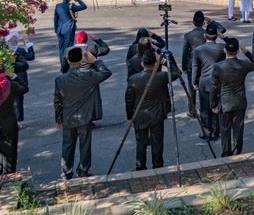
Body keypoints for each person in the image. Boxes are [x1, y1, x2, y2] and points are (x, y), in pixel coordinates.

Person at [54, 46, 112, 180]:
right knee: (85, 145)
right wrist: (96, 61)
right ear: (81, 61)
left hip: (68, 117)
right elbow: (106, 73)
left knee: (67, 146)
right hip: (85, 117)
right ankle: (83, 170)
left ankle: (66, 172)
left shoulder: (60, 80)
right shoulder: (89, 75)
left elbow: (57, 100)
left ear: (68, 61)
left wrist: (59, 118)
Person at [125, 49, 181, 170]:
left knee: (141, 142)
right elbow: (177, 73)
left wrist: (130, 116)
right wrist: (167, 61)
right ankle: (158, 165)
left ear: (142, 63)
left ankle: (140, 166)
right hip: (157, 113)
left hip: (140, 115)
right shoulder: (161, 77)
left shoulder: (133, 79)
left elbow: (129, 100)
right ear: (155, 63)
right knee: (157, 142)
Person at [210, 37, 254, 156]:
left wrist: (213, 104)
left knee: (225, 130)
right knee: (238, 129)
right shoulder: (243, 64)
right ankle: (237, 151)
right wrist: (247, 52)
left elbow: (214, 88)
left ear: (224, 50)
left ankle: (226, 153)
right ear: (237, 51)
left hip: (224, 102)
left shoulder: (218, 67)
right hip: (239, 101)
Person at [183, 11, 226, 118]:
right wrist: (212, 21)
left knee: (191, 87)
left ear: (193, 22)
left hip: (192, 64)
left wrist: (184, 65)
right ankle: (211, 106)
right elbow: (222, 30)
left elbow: (185, 52)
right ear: (203, 22)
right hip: (207, 63)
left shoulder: (188, 35)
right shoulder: (208, 32)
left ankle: (192, 110)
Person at [192, 24, 226, 140]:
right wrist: (223, 37)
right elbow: (233, 43)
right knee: (216, 106)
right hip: (218, 82)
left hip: (204, 82)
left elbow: (196, 68)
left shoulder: (198, 50)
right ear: (216, 36)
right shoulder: (222, 48)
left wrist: (194, 82)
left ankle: (206, 131)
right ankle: (216, 131)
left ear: (204, 36)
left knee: (204, 109)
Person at [74, 31, 111, 124]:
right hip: (90, 76)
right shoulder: (91, 48)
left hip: (75, 77)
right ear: (86, 39)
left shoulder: (69, 50)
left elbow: (64, 65)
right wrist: (97, 40)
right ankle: (90, 118)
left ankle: (79, 117)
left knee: (77, 98)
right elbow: (105, 49)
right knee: (91, 99)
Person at [5, 31, 35, 124]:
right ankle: (18, 120)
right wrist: (27, 43)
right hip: (20, 78)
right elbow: (31, 56)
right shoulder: (20, 51)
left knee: (7, 98)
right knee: (19, 99)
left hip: (7, 77)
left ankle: (9, 118)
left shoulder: (3, 52)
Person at [54, 0, 87, 72]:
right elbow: (84, 6)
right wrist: (77, 0)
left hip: (60, 30)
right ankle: (66, 67)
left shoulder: (58, 6)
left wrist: (56, 29)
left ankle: (62, 66)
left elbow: (55, 19)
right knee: (68, 48)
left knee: (61, 49)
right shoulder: (71, 6)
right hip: (68, 30)